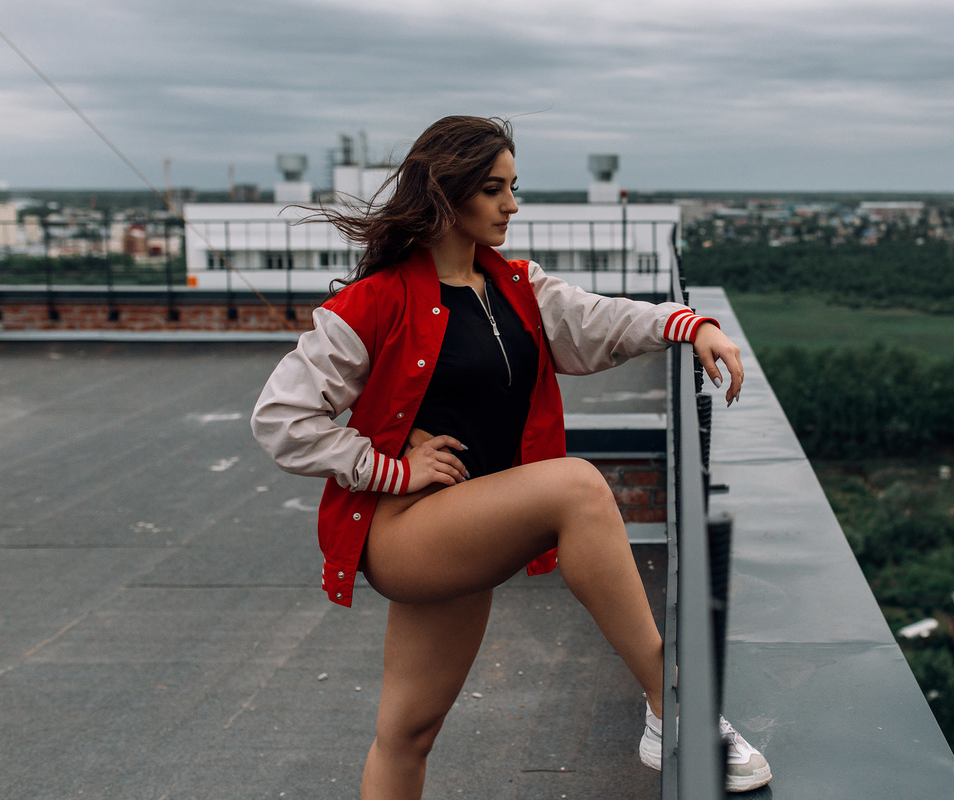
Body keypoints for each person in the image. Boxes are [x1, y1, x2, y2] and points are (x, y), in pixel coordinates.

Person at [251, 115, 771, 798]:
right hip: (405, 528)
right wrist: (392, 469)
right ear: (447, 194)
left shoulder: (517, 287)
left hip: (466, 525)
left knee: (406, 735)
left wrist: (686, 322)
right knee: (577, 489)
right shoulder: (375, 303)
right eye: (494, 189)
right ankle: (672, 707)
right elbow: (280, 418)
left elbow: (597, 323)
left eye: (513, 187)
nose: (512, 205)